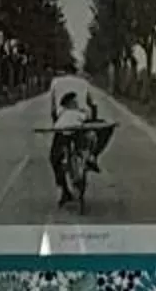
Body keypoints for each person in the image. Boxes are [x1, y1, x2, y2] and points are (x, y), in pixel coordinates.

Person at [44, 72, 110, 208]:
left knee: (54, 157)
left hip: (63, 125)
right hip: (82, 123)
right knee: (105, 128)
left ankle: (64, 190)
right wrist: (92, 123)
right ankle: (93, 156)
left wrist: (57, 126)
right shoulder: (83, 82)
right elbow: (93, 105)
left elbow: (53, 110)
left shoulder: (55, 82)